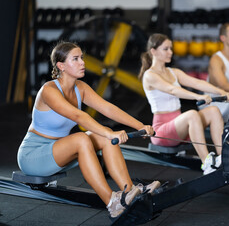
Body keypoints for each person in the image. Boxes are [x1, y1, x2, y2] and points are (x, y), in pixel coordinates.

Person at [17, 41, 160, 218]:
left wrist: (140, 126)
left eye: (82, 58)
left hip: (59, 149)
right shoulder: (49, 90)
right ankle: (112, 202)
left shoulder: (80, 88)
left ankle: (128, 190)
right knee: (84, 138)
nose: (82, 63)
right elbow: (78, 116)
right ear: (61, 65)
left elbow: (108, 108)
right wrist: (110, 132)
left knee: (104, 137)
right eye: (75, 59)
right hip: (34, 156)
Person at [138, 33, 229, 175]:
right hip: (162, 132)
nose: (170, 52)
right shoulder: (149, 75)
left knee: (213, 110)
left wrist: (221, 92)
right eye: (166, 49)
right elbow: (172, 90)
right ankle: (206, 163)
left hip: (180, 127)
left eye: (171, 48)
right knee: (192, 115)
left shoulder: (173, 72)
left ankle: (221, 157)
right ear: (153, 51)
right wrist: (197, 96)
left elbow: (197, 82)